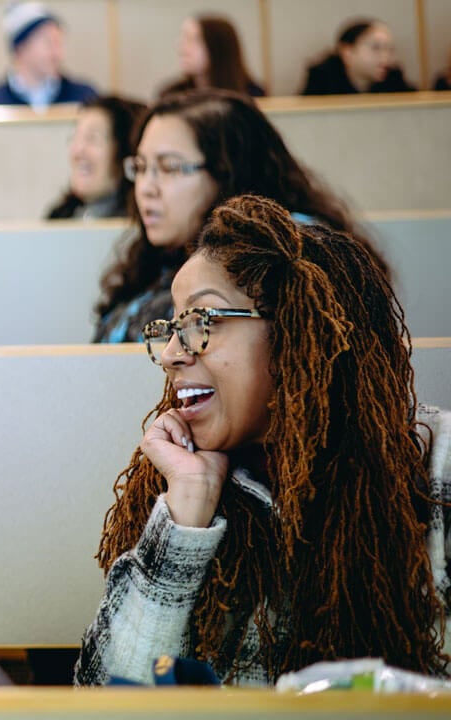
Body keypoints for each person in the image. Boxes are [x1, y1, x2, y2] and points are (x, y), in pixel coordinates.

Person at [75, 194, 449, 686]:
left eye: (200, 322)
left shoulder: (434, 465)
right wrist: (185, 517)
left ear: (296, 329)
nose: (169, 354)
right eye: (172, 326)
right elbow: (105, 699)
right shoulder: (193, 487)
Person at [91, 89, 381, 344]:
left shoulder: (289, 250)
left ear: (228, 173)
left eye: (169, 168)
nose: (145, 188)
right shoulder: (160, 258)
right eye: (140, 168)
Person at [0, 2, 97, 111]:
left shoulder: (85, 98)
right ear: (20, 48)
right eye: (49, 43)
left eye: (59, 43)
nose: (58, 53)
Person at [46, 96, 147, 220]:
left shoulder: (137, 226)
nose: (78, 150)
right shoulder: (60, 218)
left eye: (92, 138)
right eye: (74, 137)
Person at [159, 15, 265, 98]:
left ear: (218, 47)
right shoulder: (172, 95)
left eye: (193, 39)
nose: (182, 48)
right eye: (183, 39)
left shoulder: (253, 95)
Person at [301, 19, 415, 96]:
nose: (386, 57)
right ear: (347, 52)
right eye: (376, 48)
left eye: (389, 49)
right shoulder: (322, 79)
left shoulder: (394, 78)